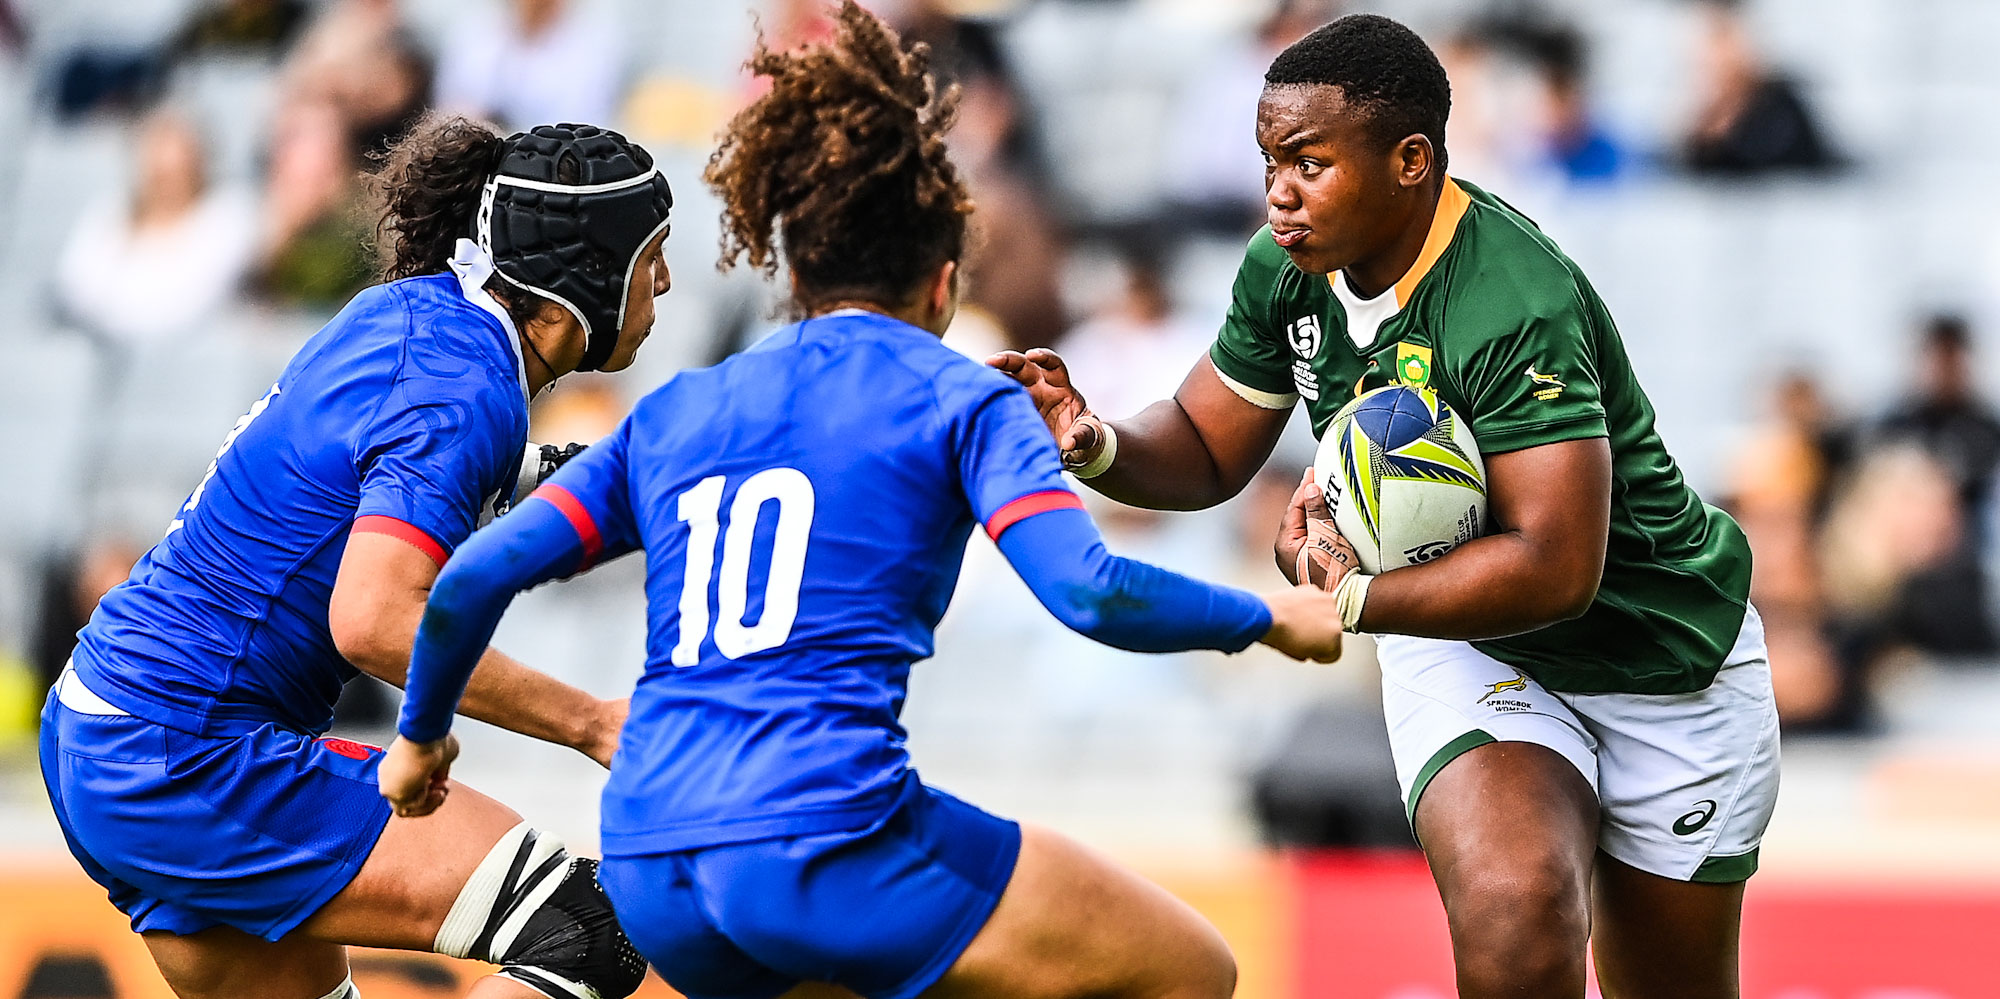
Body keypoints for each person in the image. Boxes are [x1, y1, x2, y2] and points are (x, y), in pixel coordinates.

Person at [378, 6, 1345, 999]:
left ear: (793, 273)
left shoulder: (677, 409)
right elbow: (1087, 593)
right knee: (1188, 968)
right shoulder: (960, 392)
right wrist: (1267, 618)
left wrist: (418, 741)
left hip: (651, 859)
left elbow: (469, 579)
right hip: (823, 845)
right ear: (941, 285)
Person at [990, 14, 1777, 999]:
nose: (1278, 189)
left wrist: (1348, 596)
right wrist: (1091, 438)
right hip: (1467, 639)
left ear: (1409, 160)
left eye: (1308, 162)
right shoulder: (1285, 269)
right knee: (1512, 902)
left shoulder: (1510, 299)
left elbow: (1554, 566)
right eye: (1269, 158)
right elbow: (1198, 446)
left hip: (1659, 658)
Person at [38, 114, 674, 999]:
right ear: (589, 275)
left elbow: (389, 465)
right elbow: (374, 618)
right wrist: (589, 722)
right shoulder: (465, 389)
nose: (667, 282)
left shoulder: (411, 312)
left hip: (102, 728)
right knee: (588, 932)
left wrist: (609, 482)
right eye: (653, 257)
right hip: (189, 754)